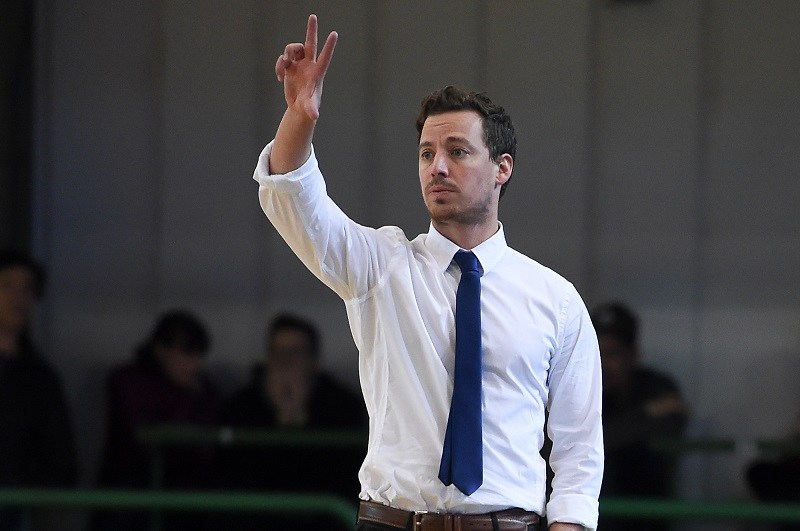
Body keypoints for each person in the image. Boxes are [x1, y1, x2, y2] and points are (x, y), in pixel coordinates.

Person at [252, 14, 603, 531]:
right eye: (426, 153)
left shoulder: (556, 299)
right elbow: (295, 201)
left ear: (502, 167)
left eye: (457, 151)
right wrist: (299, 117)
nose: (437, 166)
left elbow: (580, 452)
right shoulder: (380, 267)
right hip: (393, 521)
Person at [215, 313, 367, 529]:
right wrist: (280, 422)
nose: (285, 362)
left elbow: (344, 480)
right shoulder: (243, 407)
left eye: (295, 352)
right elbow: (234, 479)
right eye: (277, 352)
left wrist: (300, 421)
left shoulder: (341, 407)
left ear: (314, 361)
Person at [91, 309, 220, 531]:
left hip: (180, 508)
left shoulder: (205, 392)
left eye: (198, 355)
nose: (194, 364)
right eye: (186, 353)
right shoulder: (128, 382)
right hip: (129, 506)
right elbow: (143, 437)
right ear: (160, 350)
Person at [590, 301, 688, 531]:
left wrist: (603, 436)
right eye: (597, 352)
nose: (603, 363)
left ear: (632, 354)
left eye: (612, 353)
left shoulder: (655, 386)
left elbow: (675, 417)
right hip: (595, 518)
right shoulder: (583, 390)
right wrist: (645, 415)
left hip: (645, 518)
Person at [0, 250, 78, 531]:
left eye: (27, 288)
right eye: (7, 285)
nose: (18, 297)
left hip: (14, 505)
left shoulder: (41, 378)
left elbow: (61, 458)